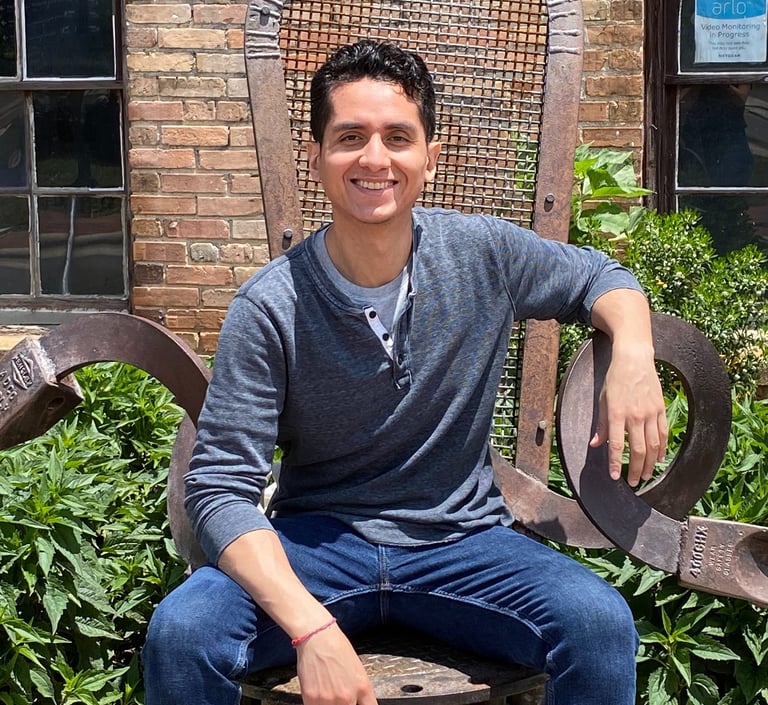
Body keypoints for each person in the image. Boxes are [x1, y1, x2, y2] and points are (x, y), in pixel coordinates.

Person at [143, 40, 667, 705]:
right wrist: (310, 629)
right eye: (350, 137)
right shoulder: (271, 305)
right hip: (316, 543)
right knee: (181, 632)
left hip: (463, 542)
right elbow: (219, 488)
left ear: (430, 158)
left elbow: (602, 276)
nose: (374, 158)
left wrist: (632, 354)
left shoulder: (484, 254)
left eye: (397, 137)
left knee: (597, 623)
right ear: (316, 156)